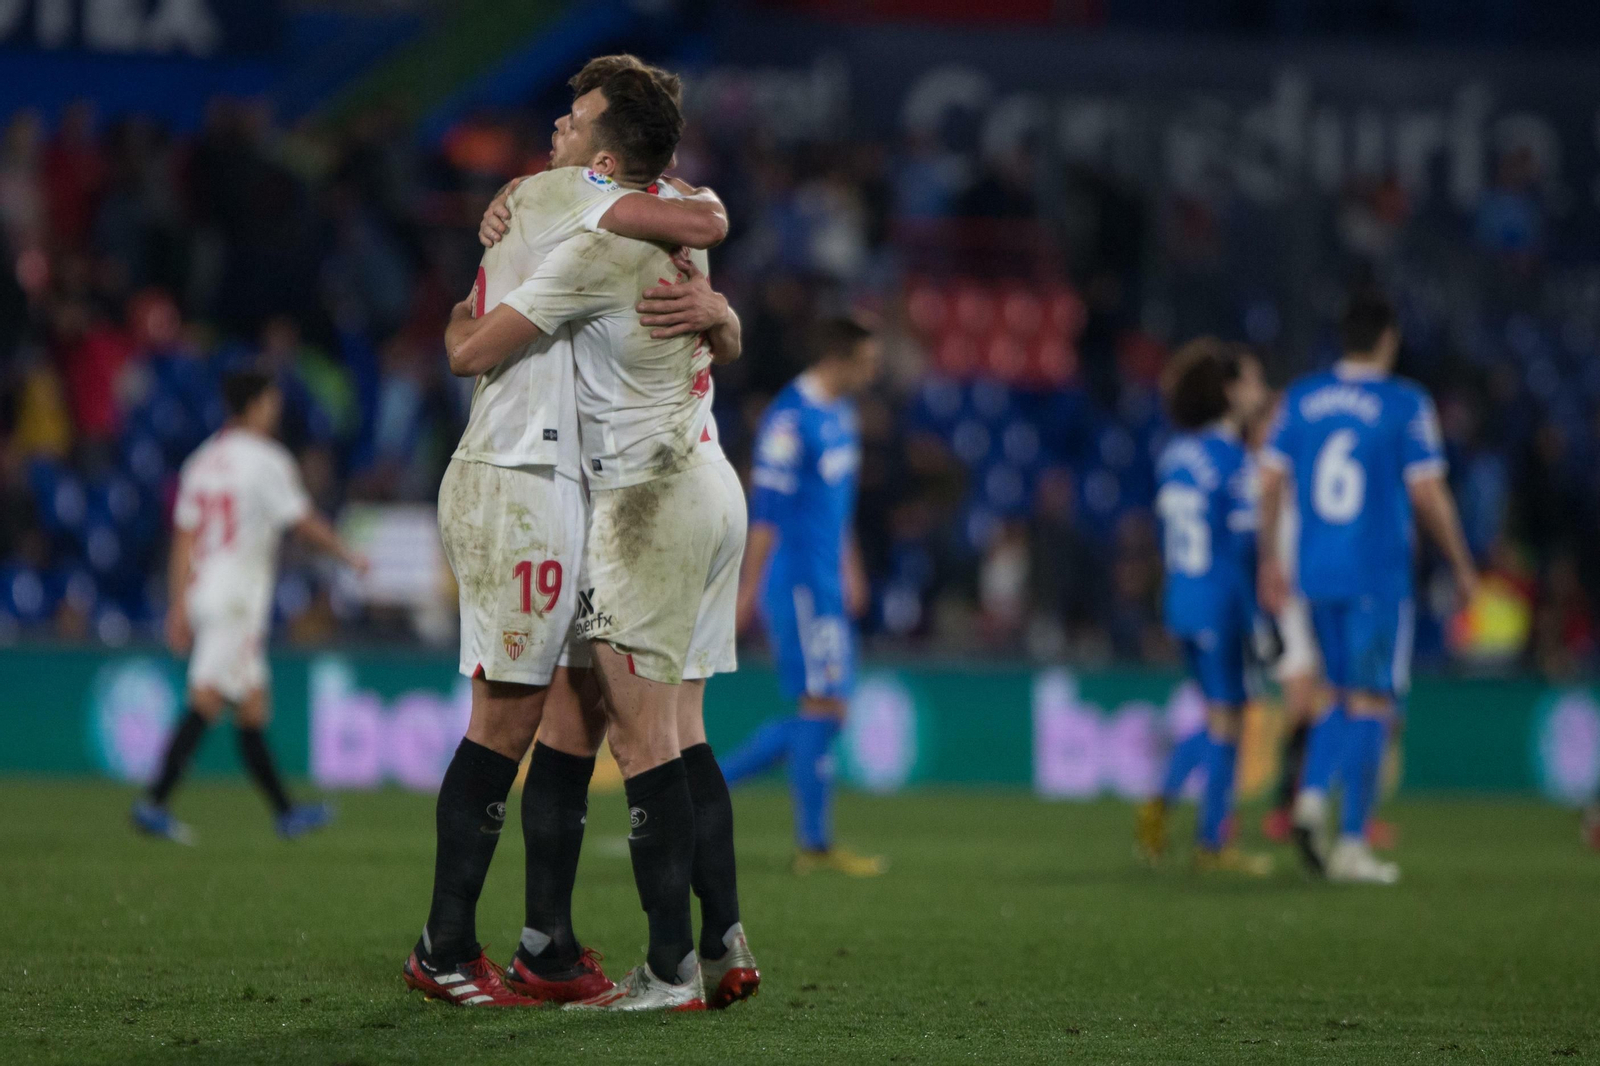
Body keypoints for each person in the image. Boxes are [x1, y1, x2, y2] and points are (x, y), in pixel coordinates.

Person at [400, 56, 739, 1009]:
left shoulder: (570, 197)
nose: (556, 123)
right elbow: (469, 346)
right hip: (520, 474)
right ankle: (446, 949)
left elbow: (692, 217)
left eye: (574, 114)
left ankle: (548, 948)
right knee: (514, 718)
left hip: (574, 486)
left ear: (608, 150)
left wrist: (724, 313)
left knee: (569, 714)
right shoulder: (574, 199)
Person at [1258, 288, 1478, 884]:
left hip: (1315, 571)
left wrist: (1267, 560)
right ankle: (1353, 841)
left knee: (1337, 693)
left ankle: (1307, 802)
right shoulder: (1405, 402)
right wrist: (1460, 564)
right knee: (1373, 701)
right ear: (1389, 339)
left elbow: (1270, 481)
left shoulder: (1300, 399)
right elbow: (1427, 491)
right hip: (1375, 573)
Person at [132, 370, 367, 843]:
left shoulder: (202, 460)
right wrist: (347, 553)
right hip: (237, 598)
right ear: (257, 405)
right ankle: (153, 803)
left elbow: (184, 539)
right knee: (206, 699)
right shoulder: (266, 461)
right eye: (272, 401)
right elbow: (300, 521)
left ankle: (286, 813)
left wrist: (178, 606)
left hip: (205, 591)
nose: (275, 410)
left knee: (252, 707)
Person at [718, 319, 885, 877]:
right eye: (866, 359)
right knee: (823, 708)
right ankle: (812, 846)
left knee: (828, 710)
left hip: (827, 581)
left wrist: (852, 567)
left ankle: (706, 792)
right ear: (838, 358)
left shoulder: (841, 415)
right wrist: (747, 588)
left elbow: (838, 505)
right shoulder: (789, 420)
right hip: (795, 582)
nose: (873, 369)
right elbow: (765, 511)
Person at [1135, 338, 1272, 874]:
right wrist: (1257, 620)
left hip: (1181, 598)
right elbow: (1241, 551)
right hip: (1219, 599)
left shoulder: (1176, 453)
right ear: (1229, 392)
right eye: (1253, 381)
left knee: (1223, 713)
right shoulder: (1232, 461)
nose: (1259, 390)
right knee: (1227, 719)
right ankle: (1210, 842)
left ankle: (1165, 804)